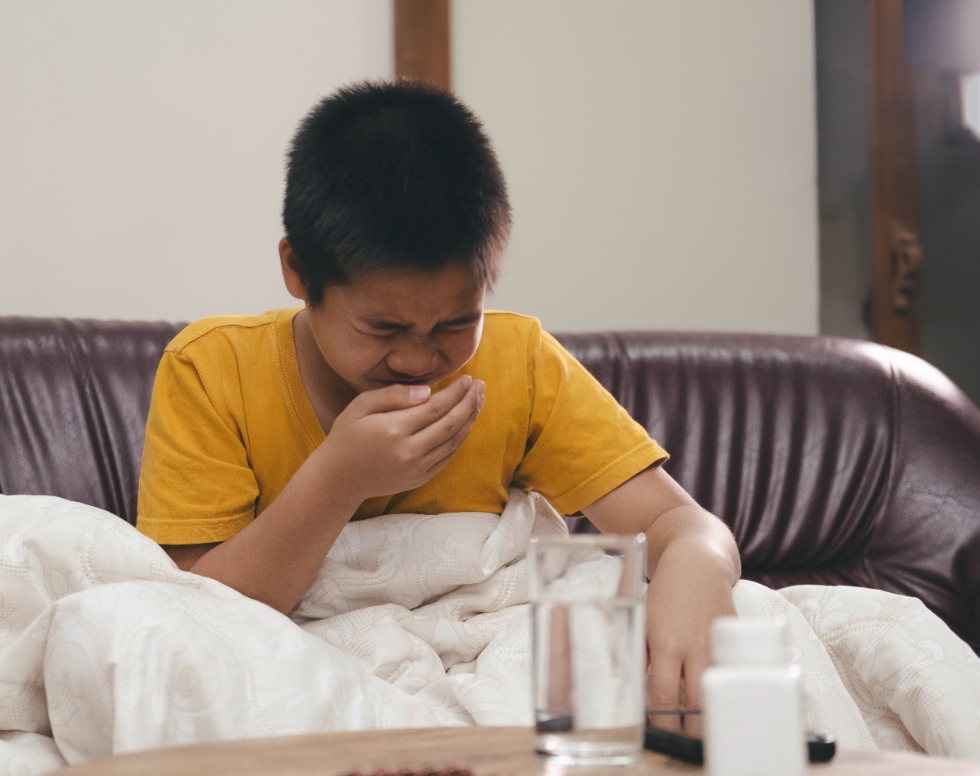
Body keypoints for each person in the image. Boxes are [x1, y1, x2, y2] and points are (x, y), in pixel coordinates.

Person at [136, 79, 740, 711]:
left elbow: (678, 522)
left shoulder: (521, 363)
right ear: (298, 271)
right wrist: (339, 479)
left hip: (489, 651)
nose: (418, 360)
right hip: (294, 670)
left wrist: (694, 564)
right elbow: (196, 614)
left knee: (749, 617)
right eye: (383, 329)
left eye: (456, 324)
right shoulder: (212, 369)